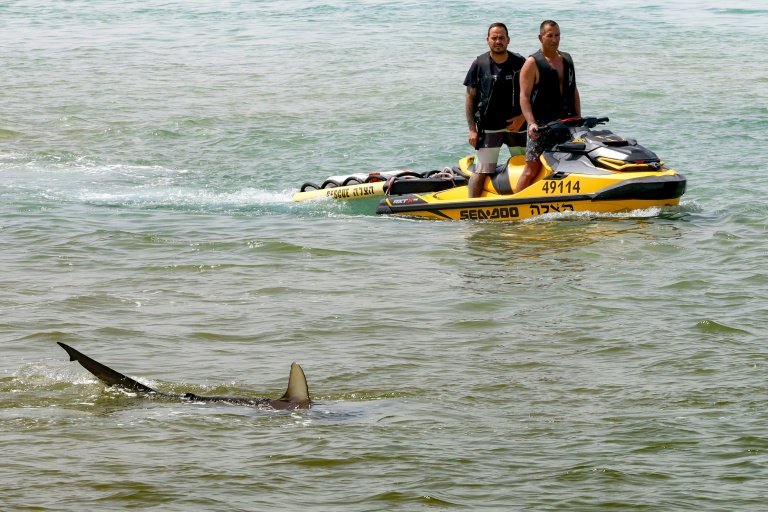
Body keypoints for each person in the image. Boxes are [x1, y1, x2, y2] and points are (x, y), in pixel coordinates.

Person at [516, 20, 581, 193]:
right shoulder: (532, 62)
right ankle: (515, 201)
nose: (554, 40)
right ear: (541, 37)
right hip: (541, 125)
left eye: (557, 35)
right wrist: (531, 123)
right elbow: (524, 96)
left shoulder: (567, 59)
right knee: (532, 168)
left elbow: (573, 90)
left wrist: (578, 118)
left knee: (569, 164)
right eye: (550, 36)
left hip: (566, 122)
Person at [464, 23, 527, 198]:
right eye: (494, 38)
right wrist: (472, 129)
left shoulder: (520, 62)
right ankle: (471, 206)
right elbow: (470, 97)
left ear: (508, 40)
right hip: (489, 127)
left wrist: (522, 118)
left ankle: (525, 201)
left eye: (501, 37)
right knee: (481, 170)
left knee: (527, 168)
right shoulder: (479, 63)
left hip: (517, 126)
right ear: (488, 40)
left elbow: (532, 94)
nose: (498, 41)